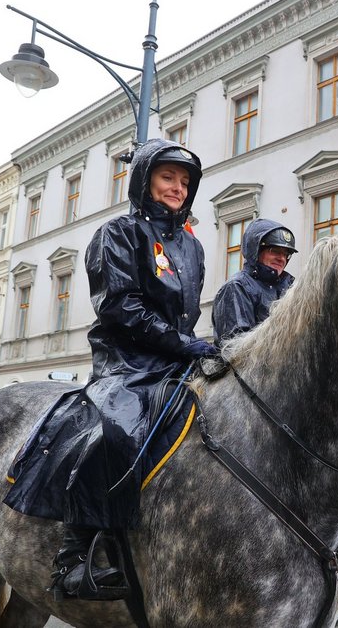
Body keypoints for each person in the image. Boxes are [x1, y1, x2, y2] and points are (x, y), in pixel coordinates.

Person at [48, 138, 217, 600]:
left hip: (176, 358)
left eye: (185, 182)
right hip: (126, 360)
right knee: (115, 428)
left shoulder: (191, 246)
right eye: (168, 178)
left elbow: (186, 312)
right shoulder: (117, 233)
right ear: (144, 179)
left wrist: (192, 346)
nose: (178, 189)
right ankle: (74, 556)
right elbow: (120, 307)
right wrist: (185, 345)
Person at [212, 219, 296, 345]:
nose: (281, 258)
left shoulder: (289, 288)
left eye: (286, 254)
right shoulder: (237, 287)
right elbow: (237, 348)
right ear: (256, 250)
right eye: (275, 251)